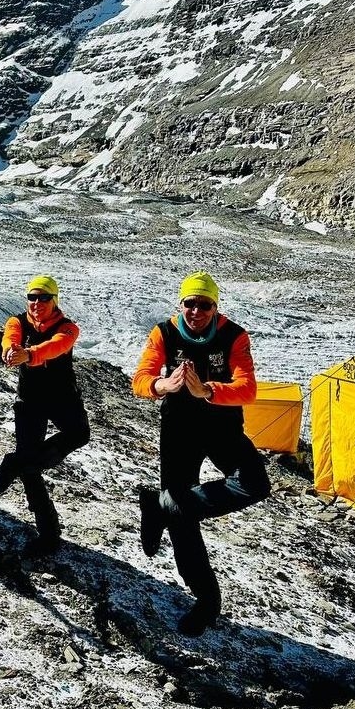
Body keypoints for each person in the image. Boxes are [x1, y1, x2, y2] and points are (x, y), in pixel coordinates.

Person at [131, 271, 271, 636]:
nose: (196, 311)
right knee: (182, 519)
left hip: (223, 427)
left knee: (254, 483)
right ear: (181, 304)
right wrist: (162, 384)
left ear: (215, 307)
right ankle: (206, 599)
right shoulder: (164, 333)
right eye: (190, 303)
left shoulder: (234, 336)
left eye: (204, 305)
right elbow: (140, 379)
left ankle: (161, 505)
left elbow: (248, 389)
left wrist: (207, 390)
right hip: (179, 431)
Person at [0, 275, 90, 557]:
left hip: (63, 398)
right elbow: (10, 338)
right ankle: (49, 533)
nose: (37, 303)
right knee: (31, 469)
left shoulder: (68, 327)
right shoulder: (17, 321)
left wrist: (29, 354)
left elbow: (58, 346)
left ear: (54, 301)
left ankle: (16, 461)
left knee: (79, 434)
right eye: (32, 297)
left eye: (44, 297)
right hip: (30, 401)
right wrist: (10, 351)